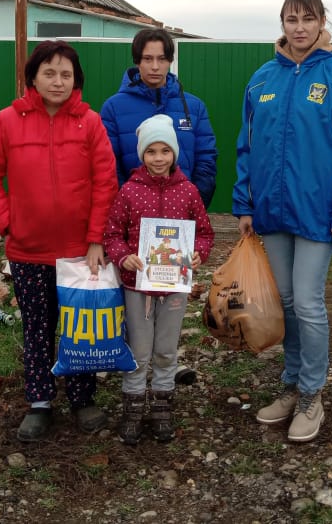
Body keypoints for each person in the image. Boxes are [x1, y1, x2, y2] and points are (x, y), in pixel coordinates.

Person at [233, 0, 332, 443]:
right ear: (282, 24)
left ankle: (313, 393)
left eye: (308, 19)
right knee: (288, 302)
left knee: (309, 303)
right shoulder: (262, 79)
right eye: (291, 19)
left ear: (321, 23)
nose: (299, 28)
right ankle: (292, 384)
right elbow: (247, 145)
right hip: (272, 212)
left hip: (318, 212)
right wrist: (245, 203)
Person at [0, 40, 118, 442]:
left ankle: (83, 398)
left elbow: (105, 182)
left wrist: (95, 239)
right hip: (29, 251)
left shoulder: (90, 123)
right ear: (32, 77)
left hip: (79, 254)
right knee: (37, 328)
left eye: (66, 74)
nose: (58, 81)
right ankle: (39, 402)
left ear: (76, 80)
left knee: (80, 327)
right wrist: (8, 222)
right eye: (49, 73)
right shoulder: (8, 121)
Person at [103, 114, 214, 445]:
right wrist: (124, 257)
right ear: (142, 154)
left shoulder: (189, 192)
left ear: (174, 153)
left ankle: (162, 405)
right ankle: (133, 406)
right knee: (139, 349)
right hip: (137, 286)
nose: (159, 158)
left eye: (165, 150)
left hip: (174, 288)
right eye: (151, 151)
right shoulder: (129, 192)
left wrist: (198, 253)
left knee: (166, 348)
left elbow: (204, 232)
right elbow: (112, 234)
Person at [100, 28, 218, 210]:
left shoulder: (195, 107)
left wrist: (193, 203)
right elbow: (109, 164)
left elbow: (206, 160)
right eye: (148, 59)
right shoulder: (113, 108)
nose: (155, 66)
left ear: (170, 61)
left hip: (184, 214)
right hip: (132, 216)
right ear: (137, 61)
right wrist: (127, 206)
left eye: (162, 59)